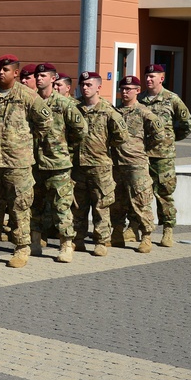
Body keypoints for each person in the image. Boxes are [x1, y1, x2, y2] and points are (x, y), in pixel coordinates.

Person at [0, 55, 51, 268]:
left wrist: (25, 141)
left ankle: (22, 248)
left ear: (16, 73)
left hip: (18, 163)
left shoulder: (27, 96)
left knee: (20, 206)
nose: (0, 73)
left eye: (5, 69)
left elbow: (45, 122)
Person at [33, 63, 87, 263]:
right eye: (37, 75)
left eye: (44, 75)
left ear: (53, 79)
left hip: (58, 164)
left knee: (62, 205)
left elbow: (80, 129)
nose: (39, 78)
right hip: (35, 162)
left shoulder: (64, 104)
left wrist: (65, 148)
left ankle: (66, 244)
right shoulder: (32, 101)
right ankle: (35, 241)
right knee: (34, 205)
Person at [71, 72, 128, 256]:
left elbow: (121, 136)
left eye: (89, 84)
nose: (85, 88)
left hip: (100, 165)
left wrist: (102, 147)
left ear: (98, 87)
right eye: (82, 84)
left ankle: (101, 241)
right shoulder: (74, 108)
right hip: (78, 165)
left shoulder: (108, 110)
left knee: (101, 205)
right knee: (78, 205)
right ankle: (77, 240)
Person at [139, 63, 191, 247]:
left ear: (161, 78)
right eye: (147, 76)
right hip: (142, 155)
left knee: (164, 194)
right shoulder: (140, 100)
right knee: (140, 193)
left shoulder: (172, 99)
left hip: (163, 156)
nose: (148, 79)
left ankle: (168, 230)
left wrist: (170, 139)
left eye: (152, 76)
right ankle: (138, 228)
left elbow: (188, 124)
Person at [113, 75, 169, 253]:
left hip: (136, 164)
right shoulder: (116, 112)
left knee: (140, 200)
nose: (125, 92)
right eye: (123, 88)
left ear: (138, 91)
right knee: (117, 200)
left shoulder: (144, 112)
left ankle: (146, 236)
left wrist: (143, 150)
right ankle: (117, 233)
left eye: (129, 89)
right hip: (117, 163)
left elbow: (159, 134)